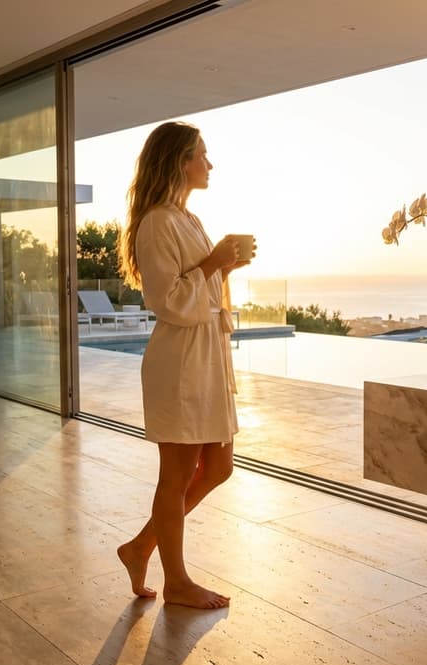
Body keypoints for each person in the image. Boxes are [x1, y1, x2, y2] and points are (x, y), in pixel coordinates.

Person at [114, 121, 251, 609]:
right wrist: (214, 264)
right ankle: (176, 581)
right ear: (179, 161)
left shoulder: (186, 218)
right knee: (174, 476)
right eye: (202, 155)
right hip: (181, 361)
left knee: (219, 466)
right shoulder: (156, 222)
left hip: (206, 358)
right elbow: (166, 299)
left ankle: (140, 547)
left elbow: (198, 285)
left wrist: (223, 266)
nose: (209, 165)